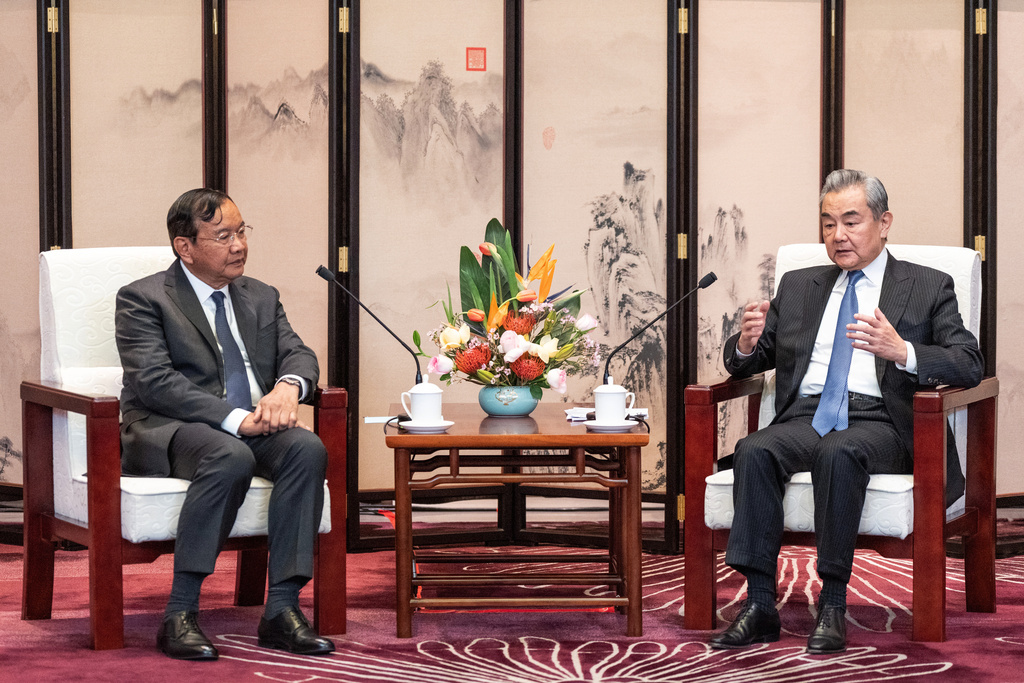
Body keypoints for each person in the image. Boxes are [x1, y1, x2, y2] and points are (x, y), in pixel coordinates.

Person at [710, 169, 983, 655]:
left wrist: (904, 352)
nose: (838, 235)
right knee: (754, 449)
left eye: (852, 221)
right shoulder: (800, 285)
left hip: (883, 422)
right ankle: (760, 606)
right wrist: (746, 344)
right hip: (807, 416)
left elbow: (969, 362)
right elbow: (755, 358)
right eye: (828, 223)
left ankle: (832, 604)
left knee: (840, 451)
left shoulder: (926, 285)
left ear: (884, 223)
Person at [115, 189, 334, 661]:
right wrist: (235, 420)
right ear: (185, 247)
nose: (238, 246)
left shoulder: (260, 295)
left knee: (307, 448)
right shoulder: (143, 298)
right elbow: (154, 383)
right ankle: (180, 613)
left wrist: (288, 387)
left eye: (241, 232)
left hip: (255, 421)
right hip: (173, 426)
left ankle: (281, 610)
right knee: (228, 453)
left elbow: (298, 353)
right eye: (223, 236)